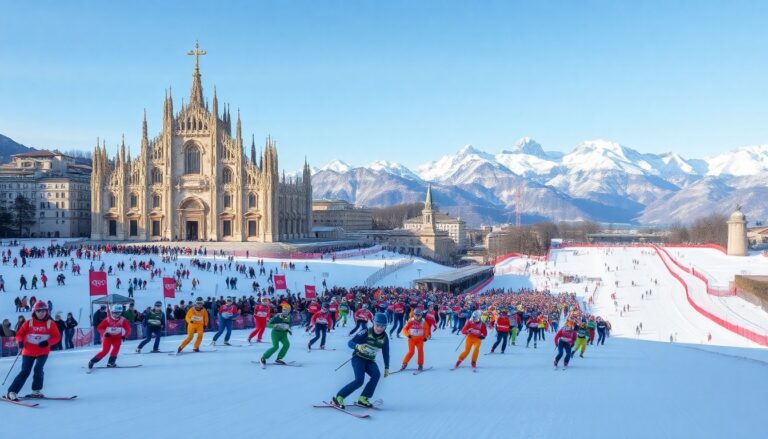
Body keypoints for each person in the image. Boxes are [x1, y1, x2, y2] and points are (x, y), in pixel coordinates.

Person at [331, 313, 390, 409]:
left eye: (383, 326)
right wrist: (357, 346)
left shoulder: (384, 337)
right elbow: (350, 343)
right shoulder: (366, 331)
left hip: (369, 360)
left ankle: (363, 398)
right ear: (374, 323)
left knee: (376, 375)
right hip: (358, 358)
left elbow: (386, 353)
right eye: (378, 325)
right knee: (359, 381)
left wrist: (387, 367)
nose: (379, 328)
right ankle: (339, 397)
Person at [5, 301, 61, 401]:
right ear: (34, 311)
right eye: (38, 311)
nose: (41, 313)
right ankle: (12, 392)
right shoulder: (28, 323)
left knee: (38, 369)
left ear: (47, 311)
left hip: (42, 352)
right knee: (25, 371)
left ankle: (36, 391)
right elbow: (19, 334)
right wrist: (20, 342)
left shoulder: (50, 323)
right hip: (28, 352)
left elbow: (57, 337)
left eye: (44, 310)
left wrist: (47, 342)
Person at [88, 304, 131, 369]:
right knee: (105, 351)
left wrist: (125, 336)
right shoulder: (107, 320)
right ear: (112, 312)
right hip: (108, 337)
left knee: (116, 349)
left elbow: (128, 329)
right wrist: (104, 333)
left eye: (119, 313)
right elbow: (100, 327)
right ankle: (92, 361)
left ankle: (111, 363)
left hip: (117, 337)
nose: (117, 315)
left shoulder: (123, 320)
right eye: (115, 313)